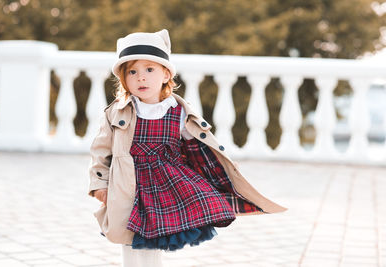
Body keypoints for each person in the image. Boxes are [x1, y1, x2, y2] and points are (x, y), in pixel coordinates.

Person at [88, 29, 287, 267]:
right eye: (132, 71)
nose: (141, 77)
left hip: (165, 184)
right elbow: (101, 150)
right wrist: (99, 185)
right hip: (128, 182)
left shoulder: (178, 111)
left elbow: (198, 148)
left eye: (149, 69)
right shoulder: (116, 112)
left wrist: (218, 174)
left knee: (153, 240)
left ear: (165, 75)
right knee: (128, 239)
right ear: (124, 79)